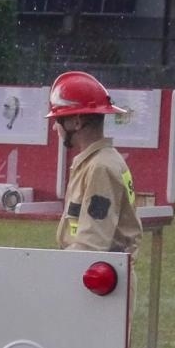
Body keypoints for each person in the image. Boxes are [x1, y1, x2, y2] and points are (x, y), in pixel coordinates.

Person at [48, 70, 143, 256]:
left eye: (58, 119)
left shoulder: (100, 167)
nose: (54, 127)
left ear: (76, 122)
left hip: (96, 276)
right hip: (94, 272)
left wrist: (57, 270)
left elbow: (91, 243)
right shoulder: (96, 161)